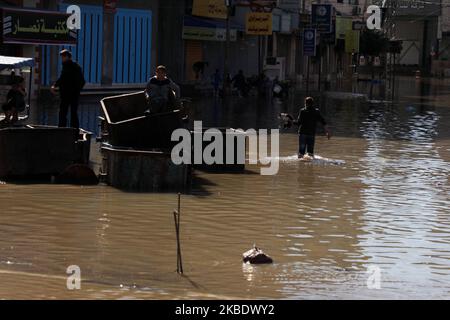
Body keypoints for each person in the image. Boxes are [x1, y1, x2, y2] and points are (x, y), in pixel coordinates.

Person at [51, 49, 85, 129]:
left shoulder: (71, 67)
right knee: (71, 113)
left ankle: (62, 130)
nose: (61, 59)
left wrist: (76, 90)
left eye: (62, 57)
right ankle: (73, 131)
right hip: (70, 94)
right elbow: (63, 78)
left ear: (67, 57)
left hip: (68, 94)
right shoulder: (70, 66)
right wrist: (55, 85)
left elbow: (81, 81)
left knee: (64, 113)